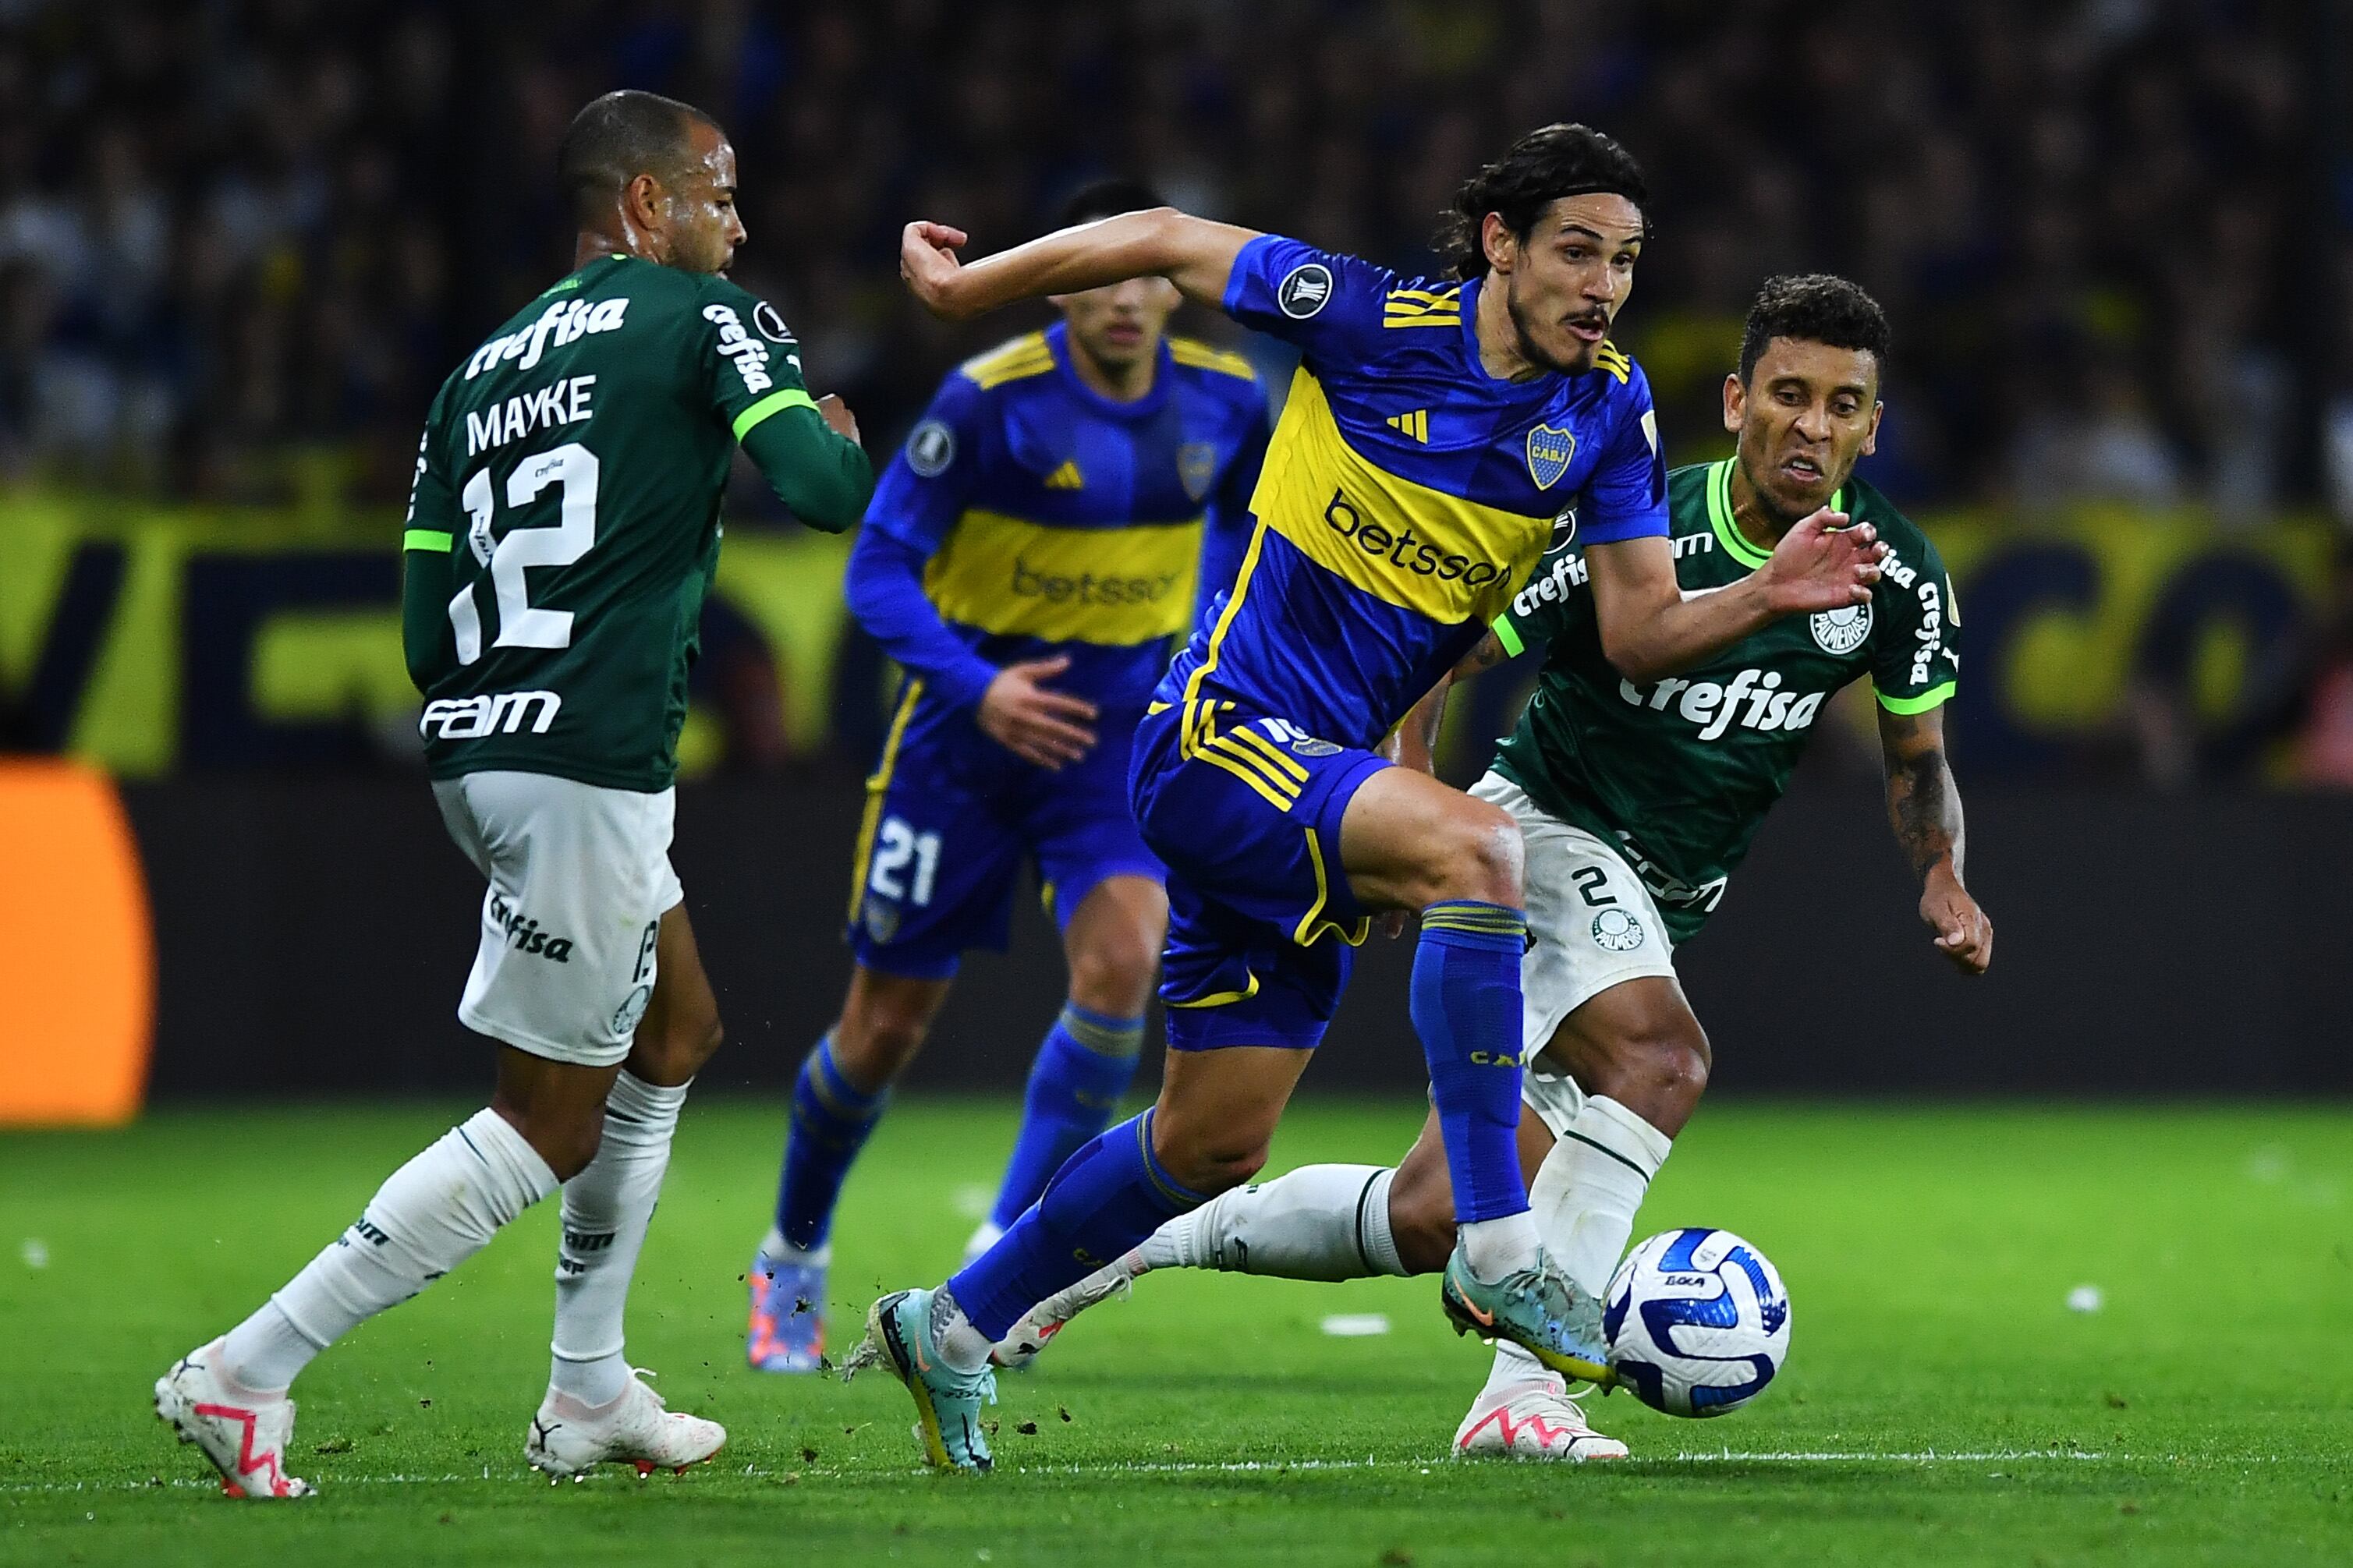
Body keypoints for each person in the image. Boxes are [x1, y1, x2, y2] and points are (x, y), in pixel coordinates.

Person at [849, 125, 1891, 1471]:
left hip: (1314, 791)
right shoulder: (1364, 314)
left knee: (1206, 1145)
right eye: (1576, 250)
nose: (1602, 285)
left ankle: (952, 1324)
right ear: (1501, 244)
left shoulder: (1604, 413)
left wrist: (1761, 592)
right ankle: (1505, 1253)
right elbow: (1166, 235)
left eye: (1625, 261)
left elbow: (1636, 628)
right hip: (1219, 734)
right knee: (1476, 848)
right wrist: (962, 287)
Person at [995, 274, 1993, 1462]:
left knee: (1427, 1221)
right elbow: (1442, 652)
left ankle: (1142, 1236)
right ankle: (1527, 1398)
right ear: (1735, 402)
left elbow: (1916, 755)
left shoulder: (1896, 572)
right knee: (1661, 1058)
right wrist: (1408, 811)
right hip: (1547, 836)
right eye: (1788, 394)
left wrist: (1941, 874)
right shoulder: (1639, 531)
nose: (1812, 428)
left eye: (1842, 405)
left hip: (1655, 910)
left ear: (1873, 425)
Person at [152, 90, 873, 1497]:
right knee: (545, 1120)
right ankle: (247, 1371)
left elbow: (424, 625)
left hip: (483, 745)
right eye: (721, 196)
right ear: (648, 206)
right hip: (586, 762)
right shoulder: (702, 319)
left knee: (677, 1025)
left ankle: (589, 1387)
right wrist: (832, 432)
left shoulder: (479, 368)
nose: (741, 223)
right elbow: (822, 487)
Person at [747, 179, 1270, 1373]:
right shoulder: (990, 404)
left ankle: (994, 1276)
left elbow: (1257, 534)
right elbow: (878, 570)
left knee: (1125, 965)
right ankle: (793, 1256)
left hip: (1112, 741)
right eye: (1097, 275)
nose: (1127, 297)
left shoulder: (1230, 401)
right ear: (1058, 281)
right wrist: (978, 685)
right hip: (963, 742)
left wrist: (1211, 637)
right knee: (881, 1030)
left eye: (1145, 272)